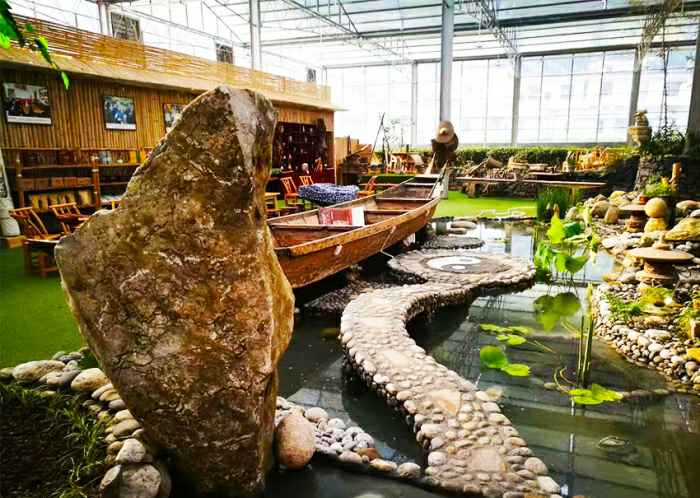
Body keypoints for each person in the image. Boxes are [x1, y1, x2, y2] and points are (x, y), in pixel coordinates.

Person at [431, 121, 459, 199]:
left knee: (444, 178)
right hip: (440, 162)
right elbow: (435, 151)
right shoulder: (437, 144)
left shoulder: (453, 141)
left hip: (445, 164)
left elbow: (453, 148)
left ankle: (442, 193)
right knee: (439, 177)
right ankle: (438, 192)